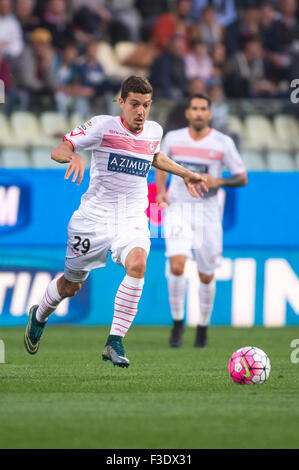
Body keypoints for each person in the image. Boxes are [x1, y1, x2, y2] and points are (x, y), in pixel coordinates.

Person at [24, 76, 208, 367]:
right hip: (93, 219)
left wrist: (184, 173)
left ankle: (115, 341)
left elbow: (154, 155)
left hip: (131, 215)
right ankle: (39, 316)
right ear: (121, 102)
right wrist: (71, 156)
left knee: (138, 263)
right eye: (134, 104)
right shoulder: (102, 126)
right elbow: (59, 148)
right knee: (71, 286)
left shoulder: (154, 131)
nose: (141, 111)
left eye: (146, 105)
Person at [156, 93, 247, 348]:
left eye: (202, 109)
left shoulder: (222, 143)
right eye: (194, 108)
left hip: (207, 211)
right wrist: (161, 189)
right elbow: (160, 165)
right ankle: (177, 324)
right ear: (188, 113)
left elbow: (242, 177)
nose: (198, 113)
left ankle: (203, 328)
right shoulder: (173, 138)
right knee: (176, 265)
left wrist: (221, 181)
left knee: (206, 275)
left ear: (209, 113)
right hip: (178, 207)